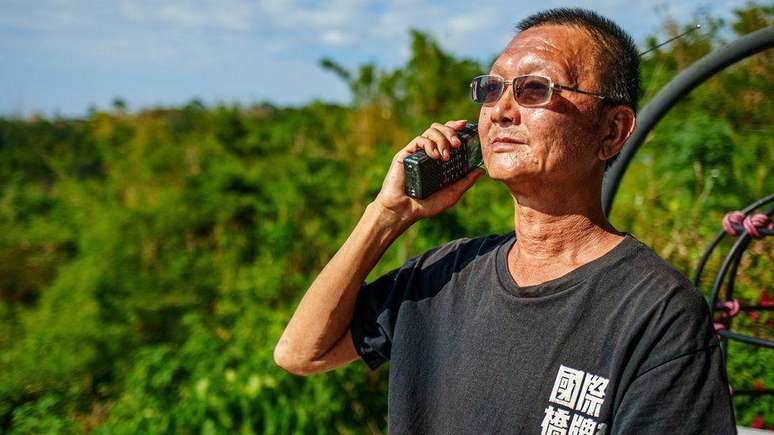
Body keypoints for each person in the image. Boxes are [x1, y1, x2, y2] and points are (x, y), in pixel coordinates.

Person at [274, 8, 736, 434]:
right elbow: (301, 352)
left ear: (612, 131)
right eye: (491, 89)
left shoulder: (655, 311)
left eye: (535, 89)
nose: (501, 110)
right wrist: (387, 214)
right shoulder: (444, 275)